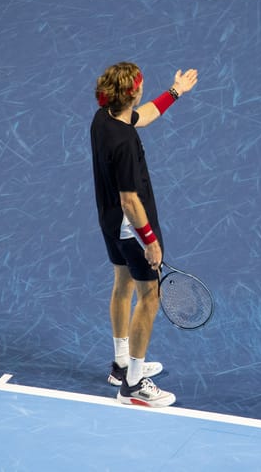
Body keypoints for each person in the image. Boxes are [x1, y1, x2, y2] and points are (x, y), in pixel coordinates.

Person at [90, 62, 198, 407]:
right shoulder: (124, 144)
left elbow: (144, 115)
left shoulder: (104, 119)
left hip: (110, 224)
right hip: (132, 228)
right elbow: (131, 201)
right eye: (141, 86)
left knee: (122, 285)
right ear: (132, 93)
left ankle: (121, 364)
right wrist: (150, 242)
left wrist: (175, 92)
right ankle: (134, 385)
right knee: (149, 298)